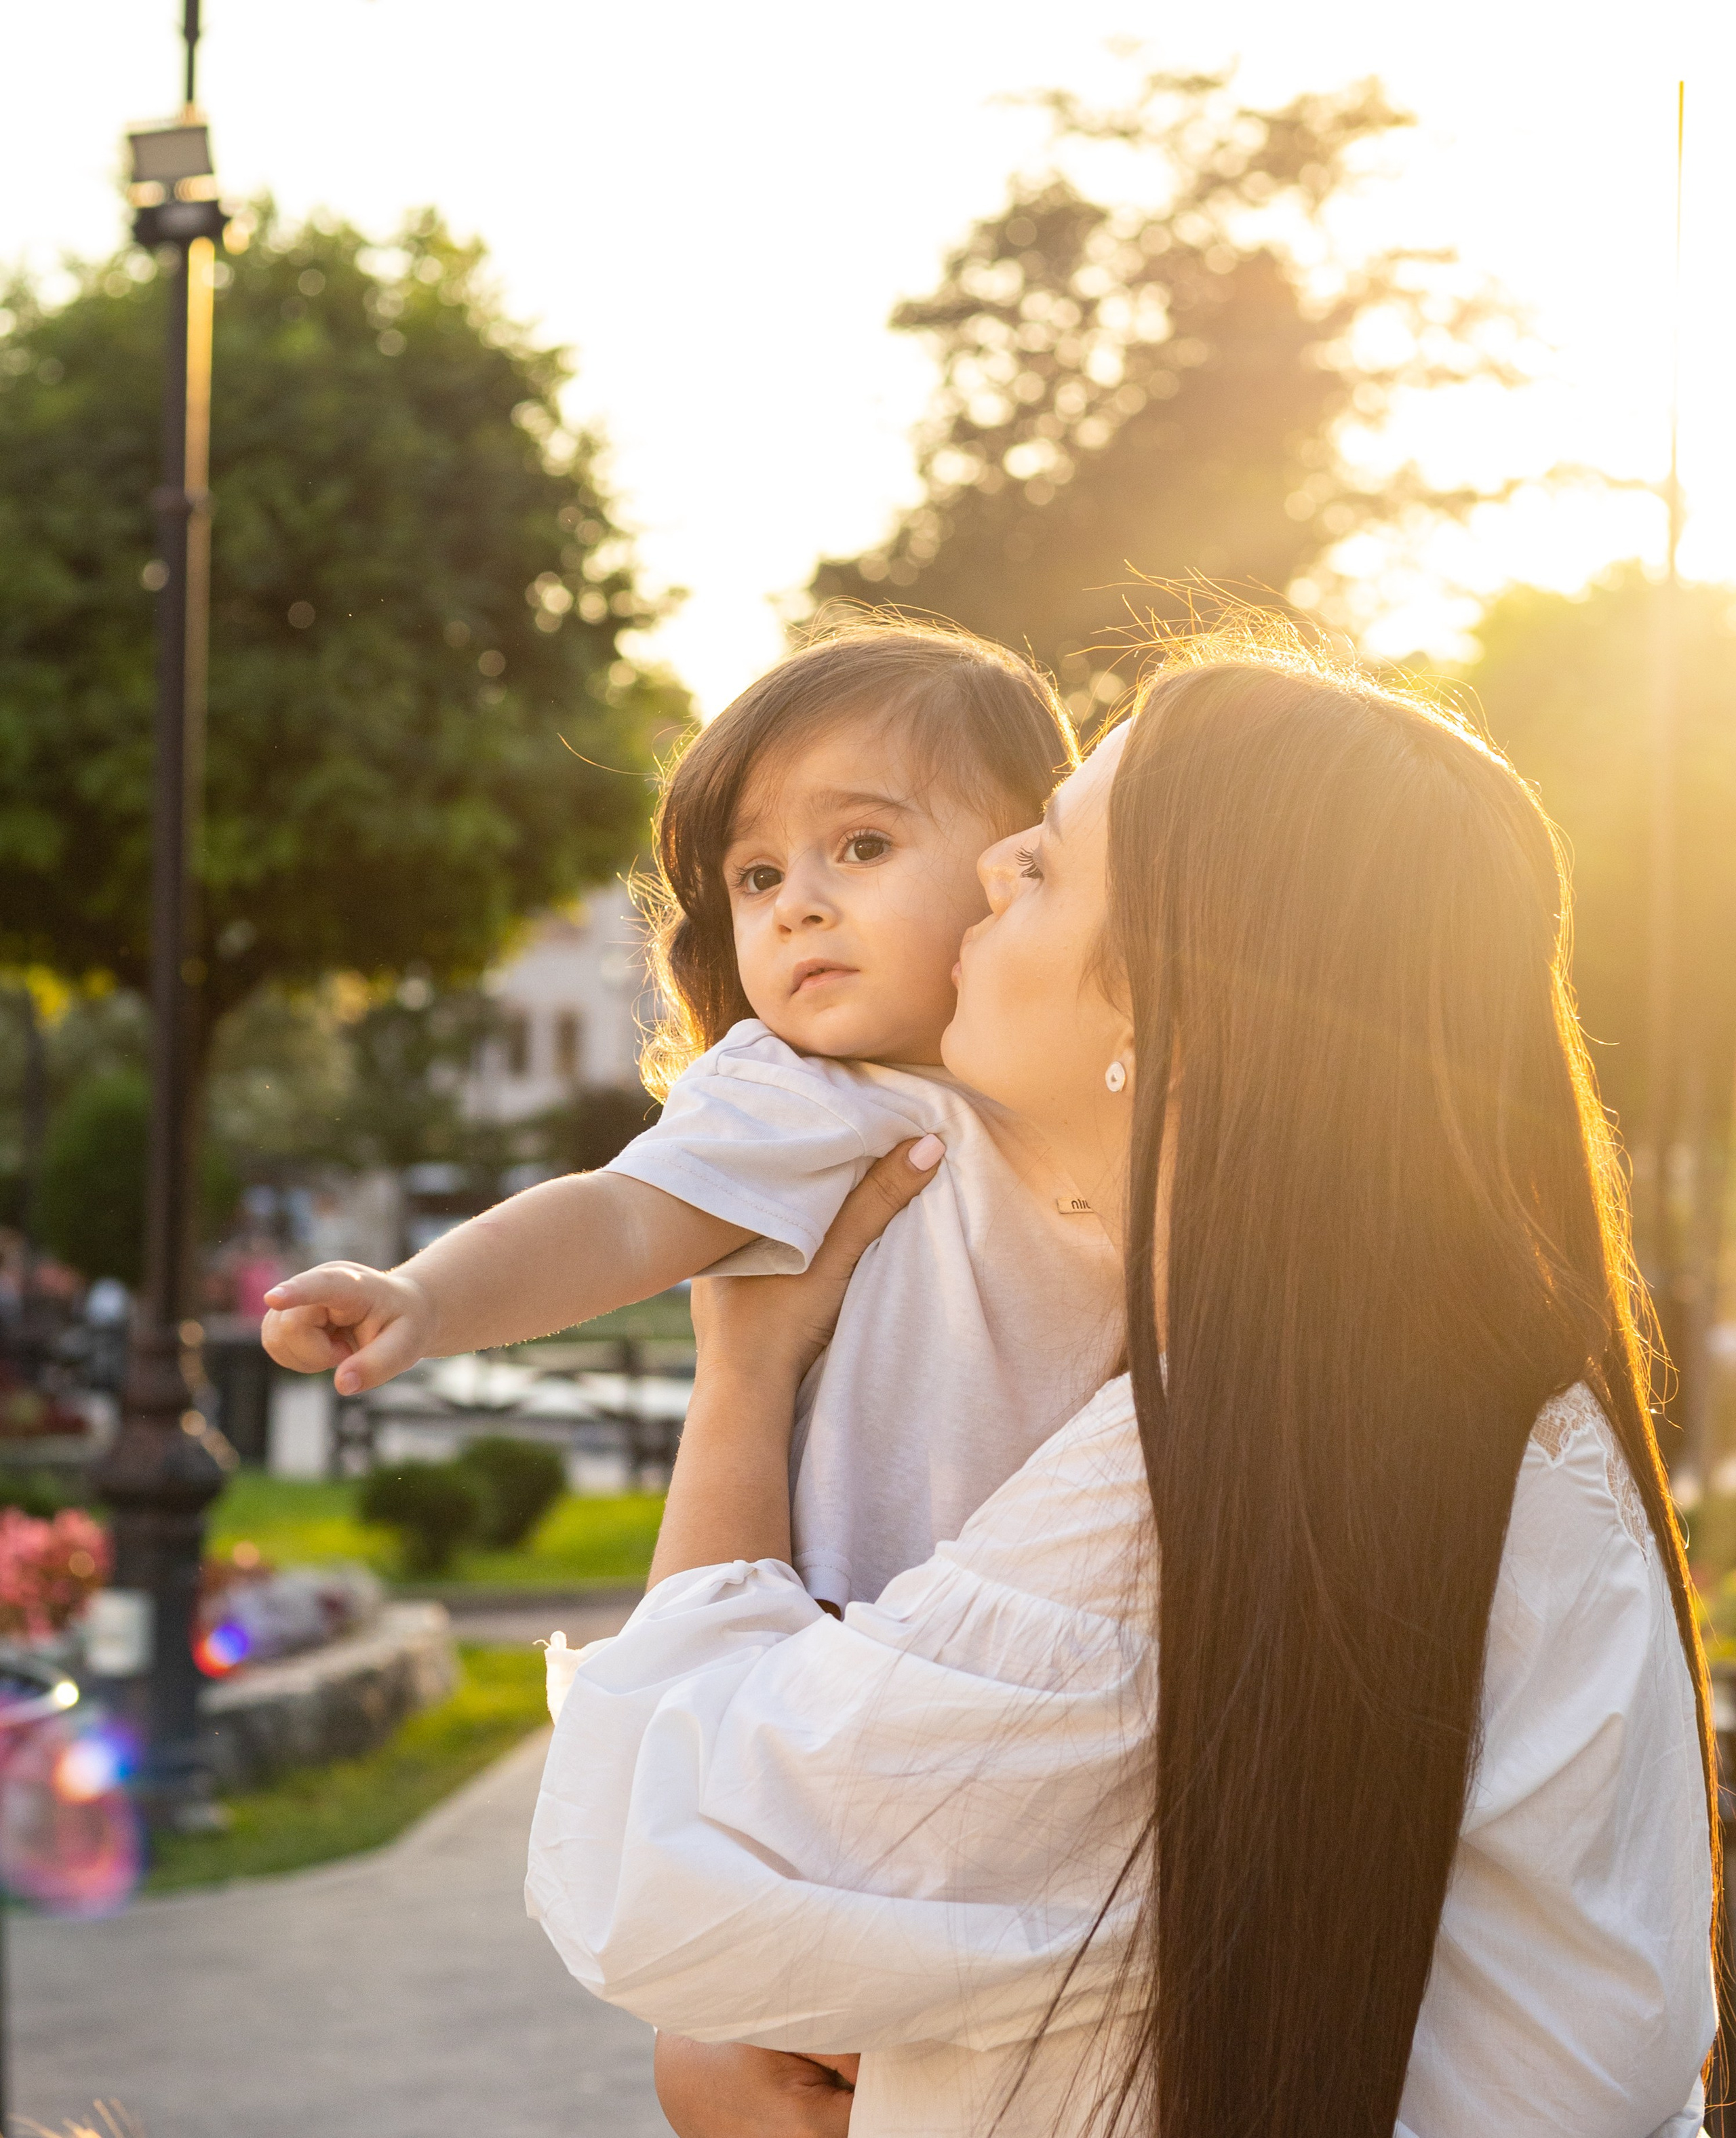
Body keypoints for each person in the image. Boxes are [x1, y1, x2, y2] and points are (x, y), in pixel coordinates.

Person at [528, 636, 1719, 2138]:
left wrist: (742, 1375)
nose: (992, 863)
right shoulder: (1422, 1396)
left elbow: (663, 1869)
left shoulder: (1222, 1482)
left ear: (1171, 1000)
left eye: (1043, 863)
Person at [260, 622, 1120, 1612]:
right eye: (757, 876)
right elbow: (618, 1217)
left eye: (864, 844)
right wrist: (422, 1295)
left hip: (1073, 1601)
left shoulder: (1100, 1086)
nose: (797, 903)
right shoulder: (807, 1091)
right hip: (855, 1623)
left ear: (1018, 860)